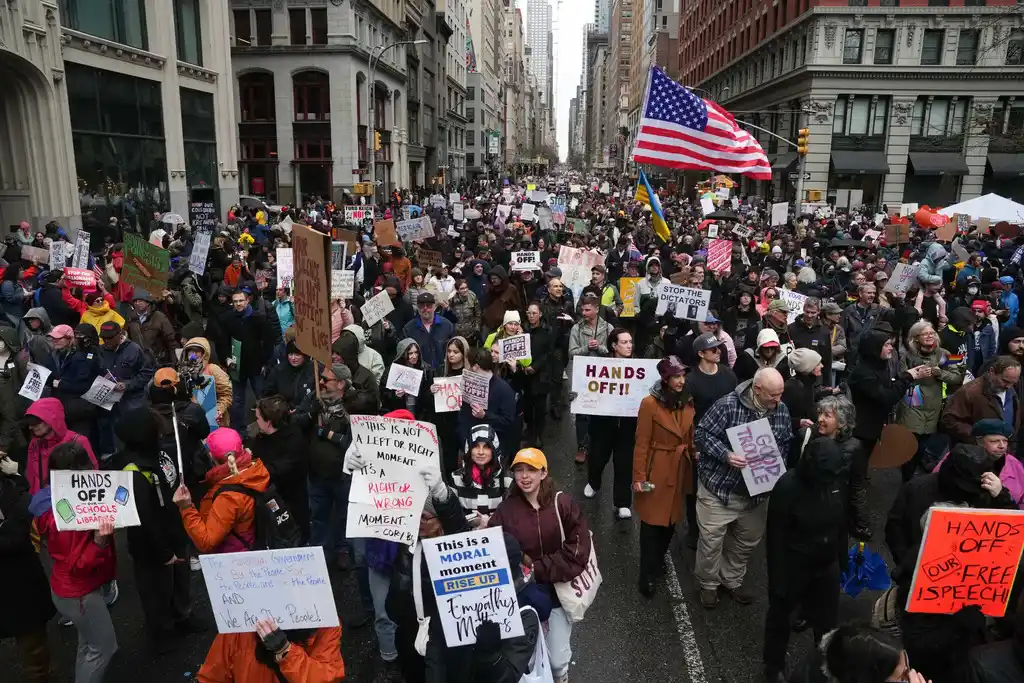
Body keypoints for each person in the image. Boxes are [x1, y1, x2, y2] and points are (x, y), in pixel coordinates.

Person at [694, 367, 794, 609]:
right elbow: (702, 435)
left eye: (781, 394)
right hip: (720, 490)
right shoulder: (727, 405)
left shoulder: (780, 409)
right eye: (773, 395)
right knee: (711, 542)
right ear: (757, 389)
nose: (778, 400)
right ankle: (708, 585)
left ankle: (732, 579)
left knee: (747, 541)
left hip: (756, 496)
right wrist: (726, 455)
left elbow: (785, 442)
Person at [488, 448, 591, 683]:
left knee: (557, 661)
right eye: (519, 471)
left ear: (544, 473)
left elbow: (577, 552)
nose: (525, 476)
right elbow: (494, 548)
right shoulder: (506, 510)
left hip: (558, 595)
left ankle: (561, 677)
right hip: (523, 596)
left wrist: (536, 569)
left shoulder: (563, 503)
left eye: (531, 470)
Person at [114, 406, 204, 653]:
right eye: (155, 429)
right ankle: (160, 631)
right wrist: (164, 553)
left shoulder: (158, 454)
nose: (161, 432)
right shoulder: (132, 471)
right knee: (156, 591)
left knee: (180, 580)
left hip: (175, 531)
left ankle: (182, 616)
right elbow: (144, 520)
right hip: (152, 547)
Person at [28, 442, 118, 683]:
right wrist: (99, 541)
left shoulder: (58, 505)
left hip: (70, 590)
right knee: (103, 648)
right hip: (80, 593)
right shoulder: (67, 519)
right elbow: (79, 564)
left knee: (88, 645)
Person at [762, 437, 848, 682]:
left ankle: (825, 666)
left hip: (826, 564)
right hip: (794, 564)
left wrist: (843, 560)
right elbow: (775, 537)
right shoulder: (787, 486)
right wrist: (777, 581)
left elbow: (843, 523)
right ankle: (773, 665)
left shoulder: (836, 478)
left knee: (828, 622)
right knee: (780, 617)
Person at [848, 331, 928, 539]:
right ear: (874, 349)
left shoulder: (880, 366)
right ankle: (858, 523)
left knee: (860, 471)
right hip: (860, 431)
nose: (891, 348)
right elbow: (887, 396)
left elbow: (889, 386)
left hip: (872, 428)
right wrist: (908, 377)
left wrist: (904, 376)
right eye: (886, 345)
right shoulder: (863, 373)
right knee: (855, 480)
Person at [632, 355, 696, 597]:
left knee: (671, 522)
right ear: (665, 379)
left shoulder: (688, 401)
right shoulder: (650, 404)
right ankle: (646, 575)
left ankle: (658, 561)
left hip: (679, 468)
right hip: (655, 470)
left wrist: (693, 454)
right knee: (651, 524)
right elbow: (642, 443)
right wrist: (639, 477)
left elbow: (688, 437)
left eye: (682, 375)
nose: (681, 380)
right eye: (676, 376)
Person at [0, 458, 57, 683]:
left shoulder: (12, 490)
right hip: (17, 583)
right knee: (34, 647)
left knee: (34, 649)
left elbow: (21, 527)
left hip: (19, 584)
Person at [172, 427, 272, 553]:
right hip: (251, 546)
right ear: (241, 448)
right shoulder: (254, 470)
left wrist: (186, 508)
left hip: (233, 560)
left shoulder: (229, 497)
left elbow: (206, 542)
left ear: (211, 456)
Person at [585, 327, 639, 520]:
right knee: (598, 458)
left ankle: (623, 503)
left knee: (624, 464)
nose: (629, 346)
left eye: (630, 342)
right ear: (614, 345)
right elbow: (588, 388)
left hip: (627, 426)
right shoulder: (601, 364)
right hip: (603, 424)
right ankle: (593, 482)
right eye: (624, 342)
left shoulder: (639, 367)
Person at [195, 617, 344, 683]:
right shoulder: (238, 626)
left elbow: (326, 678)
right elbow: (212, 678)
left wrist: (286, 652)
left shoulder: (325, 623)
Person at [251, 395, 310, 540]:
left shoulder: (294, 440)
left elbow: (282, 467)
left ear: (269, 422)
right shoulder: (263, 437)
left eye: (258, 418)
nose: (256, 422)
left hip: (289, 503)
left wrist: (255, 472)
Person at [941, 355, 1022, 451]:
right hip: (977, 454)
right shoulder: (969, 392)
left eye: (1013, 382)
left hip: (1005, 451)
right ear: (991, 371)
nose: (1008, 386)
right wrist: (979, 437)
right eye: (1004, 381)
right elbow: (948, 421)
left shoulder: (1011, 389)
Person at [569, 293, 611, 464]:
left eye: (588, 310)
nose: (584, 313)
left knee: (601, 411)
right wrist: (586, 347)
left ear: (597, 309)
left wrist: (600, 347)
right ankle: (582, 446)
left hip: (602, 375)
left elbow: (613, 351)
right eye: (582, 310)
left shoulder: (608, 328)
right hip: (583, 375)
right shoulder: (576, 329)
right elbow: (572, 353)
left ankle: (598, 445)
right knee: (582, 413)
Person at [24, 397, 98, 494]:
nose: (31, 427)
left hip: (72, 500)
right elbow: (31, 476)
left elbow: (92, 476)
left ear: (50, 420)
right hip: (44, 503)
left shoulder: (78, 441)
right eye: (30, 424)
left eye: (35, 423)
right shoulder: (35, 444)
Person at [457, 347, 517, 462]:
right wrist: (465, 442)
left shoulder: (504, 390)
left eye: (469, 365)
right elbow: (463, 415)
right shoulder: (469, 384)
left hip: (494, 452)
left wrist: (485, 416)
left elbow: (508, 423)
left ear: (476, 367)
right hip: (471, 448)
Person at [451, 424, 511, 523]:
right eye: (476, 446)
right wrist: (475, 522)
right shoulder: (456, 478)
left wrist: (491, 522)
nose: (481, 452)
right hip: (467, 535)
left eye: (486, 447)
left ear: (494, 450)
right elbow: (452, 515)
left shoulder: (507, 480)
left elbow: (512, 516)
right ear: (468, 450)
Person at [179, 336, 233, 426]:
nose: (194, 355)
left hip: (214, 420)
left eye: (197, 351)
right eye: (191, 352)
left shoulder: (213, 369)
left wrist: (219, 410)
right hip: (193, 420)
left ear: (204, 353)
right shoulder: (183, 372)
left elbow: (226, 394)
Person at [400, 292, 454, 371]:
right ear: (418, 308)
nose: (425, 308)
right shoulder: (408, 328)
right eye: (422, 306)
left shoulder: (447, 325)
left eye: (428, 306)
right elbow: (404, 355)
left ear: (434, 307)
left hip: (443, 373)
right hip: (420, 374)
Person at [380, 338, 433, 420]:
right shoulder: (391, 371)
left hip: (419, 414)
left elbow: (426, 395)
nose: (414, 356)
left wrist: (431, 391)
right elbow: (383, 394)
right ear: (402, 354)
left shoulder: (426, 370)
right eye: (410, 353)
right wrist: (395, 395)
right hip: (399, 415)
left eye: (416, 352)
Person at [130, 288, 179, 365]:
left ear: (148, 302)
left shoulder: (159, 317)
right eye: (135, 301)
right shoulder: (131, 318)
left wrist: (175, 362)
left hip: (158, 361)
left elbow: (171, 340)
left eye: (140, 301)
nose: (137, 303)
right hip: (140, 362)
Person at [450, 278, 482, 344]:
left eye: (466, 287)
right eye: (462, 288)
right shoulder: (452, 299)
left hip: (471, 332)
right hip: (458, 333)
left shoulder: (472, 296)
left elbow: (478, 314)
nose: (465, 290)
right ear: (457, 290)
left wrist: (477, 328)